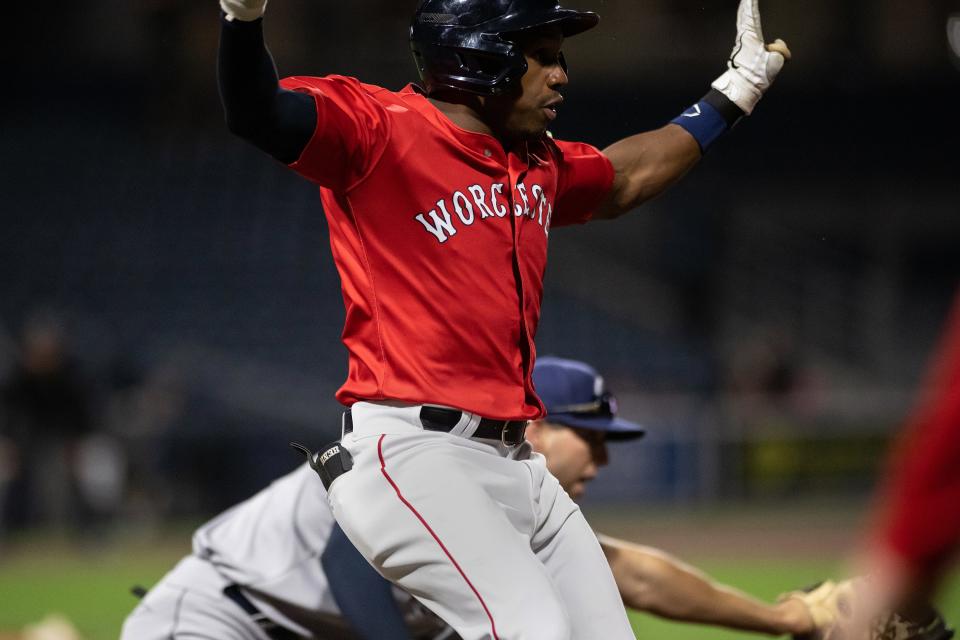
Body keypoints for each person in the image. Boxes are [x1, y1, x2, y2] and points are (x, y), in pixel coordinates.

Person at [216, 0, 790, 636]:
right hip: (413, 450)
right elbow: (258, 111)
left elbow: (627, 177)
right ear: (478, 57)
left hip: (516, 458)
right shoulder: (380, 128)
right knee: (531, 627)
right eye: (540, 56)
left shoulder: (534, 162)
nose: (561, 74)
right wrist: (243, 21)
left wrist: (731, 94)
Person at [122, 357, 830, 640]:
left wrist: (790, 619)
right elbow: (350, 565)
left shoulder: (515, 500)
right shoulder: (419, 462)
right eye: (594, 437)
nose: (605, 458)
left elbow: (634, 574)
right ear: (536, 426)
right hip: (220, 617)